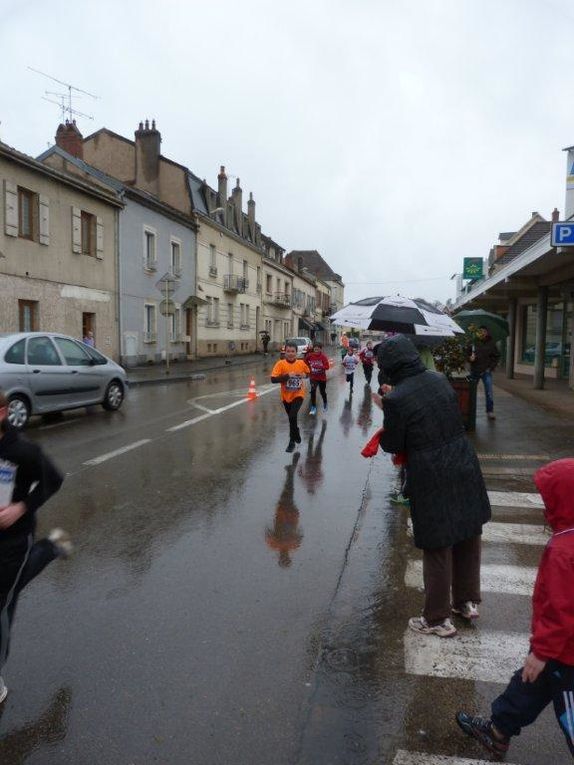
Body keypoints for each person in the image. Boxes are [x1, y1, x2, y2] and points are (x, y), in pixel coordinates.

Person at [457, 458, 574, 760]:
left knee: (556, 699)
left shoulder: (564, 551)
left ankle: (499, 729)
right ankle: (497, 730)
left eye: (549, 498)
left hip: (566, 655)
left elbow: (561, 612)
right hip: (559, 652)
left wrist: (541, 652)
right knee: (526, 685)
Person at [378, 335, 491, 638]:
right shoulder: (440, 379)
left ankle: (437, 619)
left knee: (437, 543)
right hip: (463, 460)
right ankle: (466, 602)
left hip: (431, 471)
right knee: (467, 532)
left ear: (390, 367)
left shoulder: (397, 399)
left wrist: (387, 404)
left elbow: (392, 443)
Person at [0, 389, 72, 703]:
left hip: (13, 540)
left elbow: (53, 480)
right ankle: (53, 547)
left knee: (1, 605)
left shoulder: (23, 451)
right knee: (10, 591)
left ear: (1, 413)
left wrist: (20, 508)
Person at [271, 342, 310, 452]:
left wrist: (305, 375)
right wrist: (287, 376)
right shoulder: (280, 364)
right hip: (286, 396)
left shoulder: (301, 363)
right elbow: (273, 379)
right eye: (288, 351)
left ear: (296, 352)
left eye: (293, 351)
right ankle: (296, 431)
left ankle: (291, 442)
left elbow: (308, 373)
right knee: (291, 418)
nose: (290, 353)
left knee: (293, 416)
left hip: (298, 394)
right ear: (285, 352)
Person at [468, 325, 500, 420]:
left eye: (484, 331)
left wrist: (491, 367)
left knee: (489, 391)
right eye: (480, 331)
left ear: (487, 333)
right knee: (471, 392)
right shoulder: (473, 342)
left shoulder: (491, 343)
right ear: (478, 332)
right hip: (475, 371)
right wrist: (470, 358)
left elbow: (496, 356)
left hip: (486, 371)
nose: (482, 333)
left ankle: (490, 411)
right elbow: (466, 353)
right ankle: (469, 410)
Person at [305, 342, 330, 415]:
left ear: (320, 349)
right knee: (313, 391)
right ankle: (313, 407)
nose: (316, 348)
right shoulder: (310, 356)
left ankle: (325, 403)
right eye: (315, 347)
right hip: (313, 377)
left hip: (322, 378)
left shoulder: (323, 357)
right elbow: (304, 362)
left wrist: (318, 367)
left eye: (318, 347)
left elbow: (327, 367)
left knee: (322, 392)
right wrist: (308, 368)